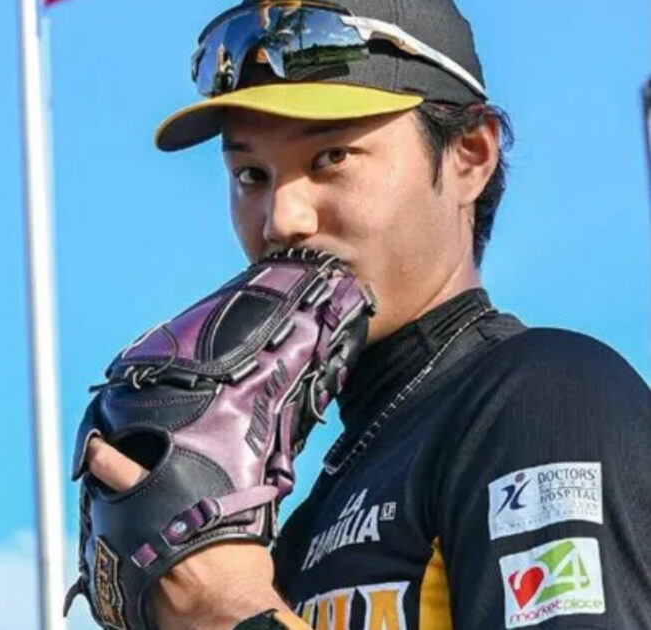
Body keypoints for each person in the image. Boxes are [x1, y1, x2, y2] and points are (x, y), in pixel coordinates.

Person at [78, 1, 651, 628]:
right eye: (251, 174)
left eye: (331, 158)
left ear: (470, 155)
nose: (282, 220)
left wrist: (230, 610)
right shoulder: (318, 507)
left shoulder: (544, 397)